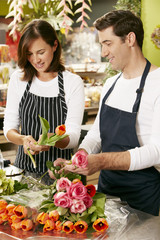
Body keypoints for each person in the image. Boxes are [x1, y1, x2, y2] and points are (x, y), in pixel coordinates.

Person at [52, 10, 160, 216]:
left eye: (108, 43)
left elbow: (158, 150)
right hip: (106, 192)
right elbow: (97, 133)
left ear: (130, 39)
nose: (103, 52)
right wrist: (80, 157)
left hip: (143, 196)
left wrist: (101, 161)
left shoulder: (158, 83)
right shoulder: (111, 83)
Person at [3, 19, 85, 185]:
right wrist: (23, 139)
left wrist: (54, 139)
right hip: (25, 173)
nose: (35, 60)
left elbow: (74, 135)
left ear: (54, 46)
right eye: (29, 54)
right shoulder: (18, 79)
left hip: (61, 175)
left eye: (41, 52)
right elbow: (9, 128)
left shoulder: (72, 82)